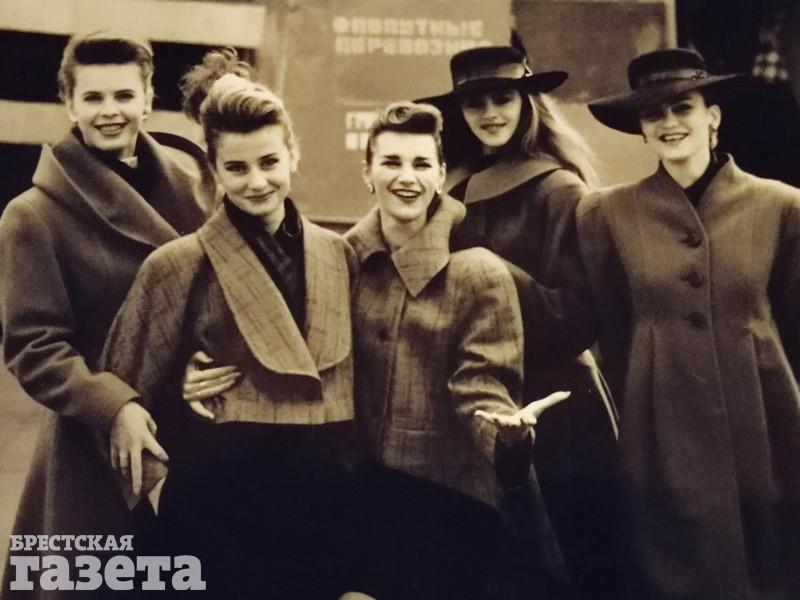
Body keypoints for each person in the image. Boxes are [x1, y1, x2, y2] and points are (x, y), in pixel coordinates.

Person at [100, 52, 365, 599]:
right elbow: (123, 383)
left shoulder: (339, 253)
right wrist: (178, 389)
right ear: (215, 171)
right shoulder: (177, 263)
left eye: (269, 162)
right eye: (237, 168)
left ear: (292, 155)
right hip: (220, 503)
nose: (257, 182)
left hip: (324, 500)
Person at [581, 47, 800, 600]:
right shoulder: (607, 213)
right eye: (653, 114)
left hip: (764, 420)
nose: (669, 122)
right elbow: (611, 329)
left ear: (713, 116)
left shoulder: (781, 207)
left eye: (683, 107)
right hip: (659, 428)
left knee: (770, 569)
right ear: (641, 129)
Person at [0, 31, 210, 598]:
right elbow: (34, 346)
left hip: (195, 435)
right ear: (69, 105)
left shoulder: (197, 192)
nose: (109, 111)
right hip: (94, 452)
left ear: (148, 99)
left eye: (123, 95)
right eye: (92, 98)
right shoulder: (32, 216)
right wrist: (114, 405)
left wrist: (203, 365)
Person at [345, 100, 569, 600]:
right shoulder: (345, 261)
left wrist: (507, 436)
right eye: (391, 162)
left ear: (441, 175)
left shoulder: (477, 272)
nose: (407, 177)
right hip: (358, 496)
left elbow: (481, 387)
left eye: (421, 164)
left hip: (446, 507)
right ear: (368, 173)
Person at [419, 45, 618, 599]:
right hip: (471, 399)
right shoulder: (447, 187)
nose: (490, 113)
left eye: (503, 98)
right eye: (474, 103)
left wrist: (487, 272)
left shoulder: (559, 190)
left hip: (555, 409)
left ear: (527, 101)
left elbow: (578, 318)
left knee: (556, 563)